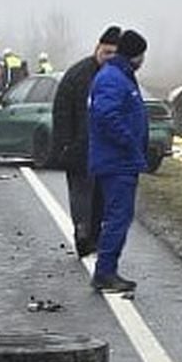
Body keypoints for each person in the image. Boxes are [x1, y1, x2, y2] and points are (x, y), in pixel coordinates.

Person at [88, 29, 149, 294]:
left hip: (120, 160)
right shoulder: (114, 78)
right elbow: (106, 115)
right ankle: (105, 272)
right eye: (142, 55)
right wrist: (129, 141)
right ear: (135, 54)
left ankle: (107, 270)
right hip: (116, 161)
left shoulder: (120, 75)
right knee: (117, 217)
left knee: (118, 216)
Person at [52, 26, 120, 256]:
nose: (109, 58)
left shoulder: (118, 77)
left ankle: (95, 237)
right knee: (81, 195)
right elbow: (61, 112)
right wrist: (64, 144)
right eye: (106, 52)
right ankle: (82, 235)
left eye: (114, 54)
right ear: (97, 49)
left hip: (106, 150)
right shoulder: (78, 75)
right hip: (79, 148)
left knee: (100, 197)